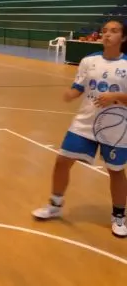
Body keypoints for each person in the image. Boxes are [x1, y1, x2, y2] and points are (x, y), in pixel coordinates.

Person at [32, 19, 127, 238]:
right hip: (85, 122)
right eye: (104, 31)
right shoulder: (88, 61)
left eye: (114, 31)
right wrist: (69, 94)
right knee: (62, 160)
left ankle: (119, 217)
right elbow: (78, 87)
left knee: (115, 171)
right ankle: (55, 205)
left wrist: (116, 96)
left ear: (123, 38)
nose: (107, 35)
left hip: (115, 126)